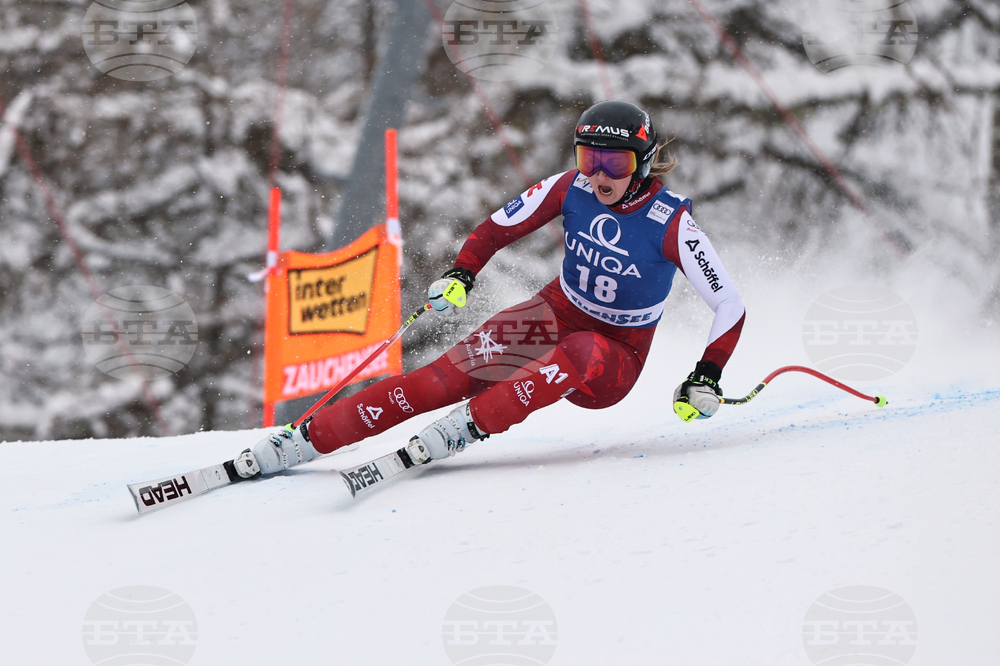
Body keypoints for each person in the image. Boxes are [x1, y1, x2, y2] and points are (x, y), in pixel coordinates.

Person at [232, 100, 746, 479]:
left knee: (582, 350)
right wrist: (462, 273)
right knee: (439, 379)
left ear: (643, 163)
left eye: (617, 164)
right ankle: (306, 439)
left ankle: (464, 428)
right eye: (589, 159)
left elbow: (729, 303)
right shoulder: (570, 187)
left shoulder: (670, 222)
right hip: (554, 313)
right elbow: (496, 229)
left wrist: (706, 374)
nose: (600, 176)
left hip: (615, 355)